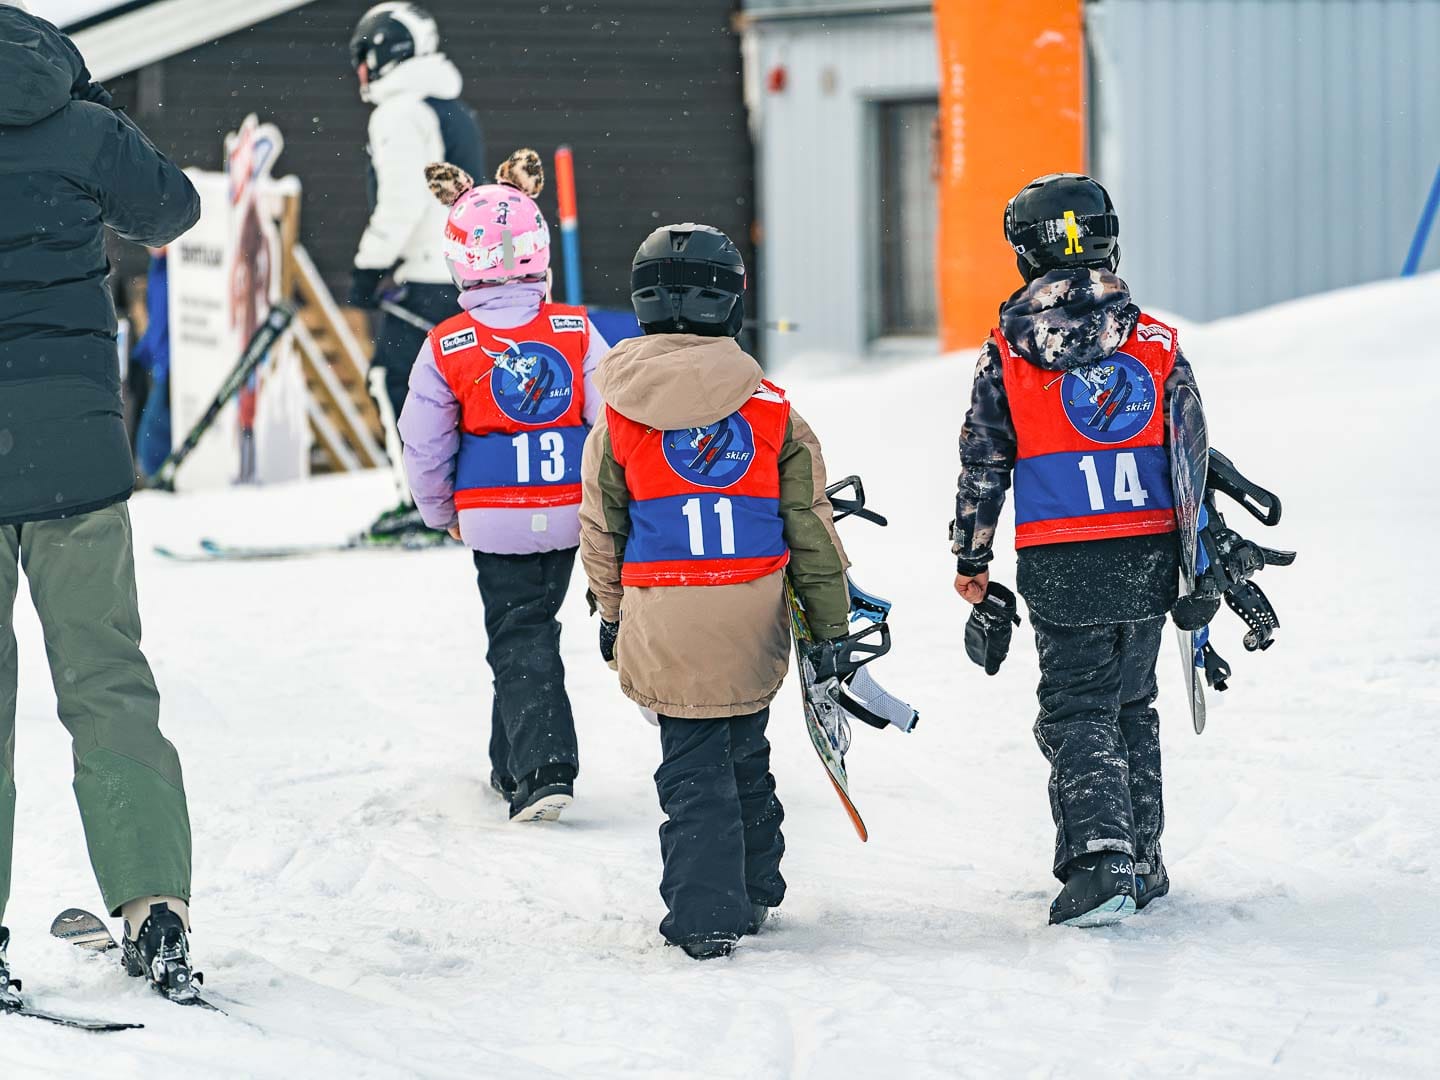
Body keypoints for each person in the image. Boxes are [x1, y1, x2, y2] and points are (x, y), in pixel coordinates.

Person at [0, 3, 201, 1004]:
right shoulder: (82, 127)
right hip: (74, 450)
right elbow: (172, 211)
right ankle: (154, 908)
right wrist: (96, 124)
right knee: (109, 684)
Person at [579, 224, 851, 960]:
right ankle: (757, 885)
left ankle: (704, 913)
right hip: (750, 606)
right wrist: (830, 627)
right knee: (744, 749)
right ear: (732, 302)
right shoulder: (771, 411)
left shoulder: (618, 417)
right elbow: (811, 530)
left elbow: (601, 528)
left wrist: (612, 613)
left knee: (693, 767)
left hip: (663, 609)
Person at [951, 173, 1199, 927]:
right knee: (1131, 701)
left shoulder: (1008, 349)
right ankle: (1144, 859)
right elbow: (1189, 453)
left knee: (1075, 706)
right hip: (1148, 554)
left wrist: (972, 557)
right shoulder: (1156, 342)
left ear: (1023, 252)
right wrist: (1200, 563)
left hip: (1062, 557)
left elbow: (984, 459)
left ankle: (1099, 859)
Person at [400, 151, 608, 823]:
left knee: (519, 633)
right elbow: (611, 417)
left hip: (492, 517)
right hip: (569, 509)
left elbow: (424, 439)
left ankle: (544, 767)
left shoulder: (450, 345)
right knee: (527, 629)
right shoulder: (576, 331)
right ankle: (508, 760)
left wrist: (439, 510)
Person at [348, 2, 485, 536]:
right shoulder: (451, 106)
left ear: (385, 53)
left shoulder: (398, 112)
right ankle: (464, 496)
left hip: (425, 275)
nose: (360, 73)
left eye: (363, 58)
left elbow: (403, 200)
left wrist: (368, 265)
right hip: (463, 274)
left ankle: (422, 505)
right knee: (457, 391)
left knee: (395, 382)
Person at [131, 247, 173, 479]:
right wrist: (142, 355)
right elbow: (157, 324)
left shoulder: (174, 270)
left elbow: (173, 325)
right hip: (158, 368)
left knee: (151, 449)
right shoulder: (157, 268)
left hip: (170, 372)